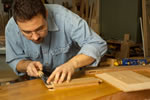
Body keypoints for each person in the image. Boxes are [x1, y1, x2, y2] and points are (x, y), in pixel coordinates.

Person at [5, 0, 107, 84]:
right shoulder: (11, 28)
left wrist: (71, 64)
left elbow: (97, 44)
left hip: (72, 79)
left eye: (40, 28)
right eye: (27, 32)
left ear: (46, 14)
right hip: (38, 82)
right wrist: (27, 65)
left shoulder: (65, 18)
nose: (35, 37)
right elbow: (15, 59)